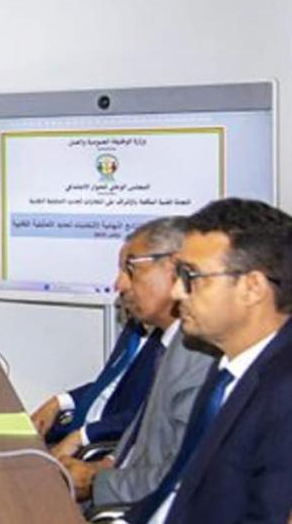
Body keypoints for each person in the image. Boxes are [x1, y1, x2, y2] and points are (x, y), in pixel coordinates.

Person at [122, 198, 292, 523]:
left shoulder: (285, 392)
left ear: (252, 287)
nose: (176, 293)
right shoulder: (226, 365)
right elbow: (178, 487)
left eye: (191, 276)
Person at [54, 217, 216, 507]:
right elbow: (141, 440)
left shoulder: (200, 355)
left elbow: (180, 475)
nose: (119, 284)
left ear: (174, 268)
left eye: (131, 269)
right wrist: (104, 466)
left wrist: (95, 482)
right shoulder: (170, 343)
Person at [32, 242, 169, 454]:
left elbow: (146, 415)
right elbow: (110, 387)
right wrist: (59, 402)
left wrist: (83, 436)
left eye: (130, 271)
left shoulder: (174, 345)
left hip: (99, 449)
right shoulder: (135, 327)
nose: (118, 285)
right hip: (74, 433)